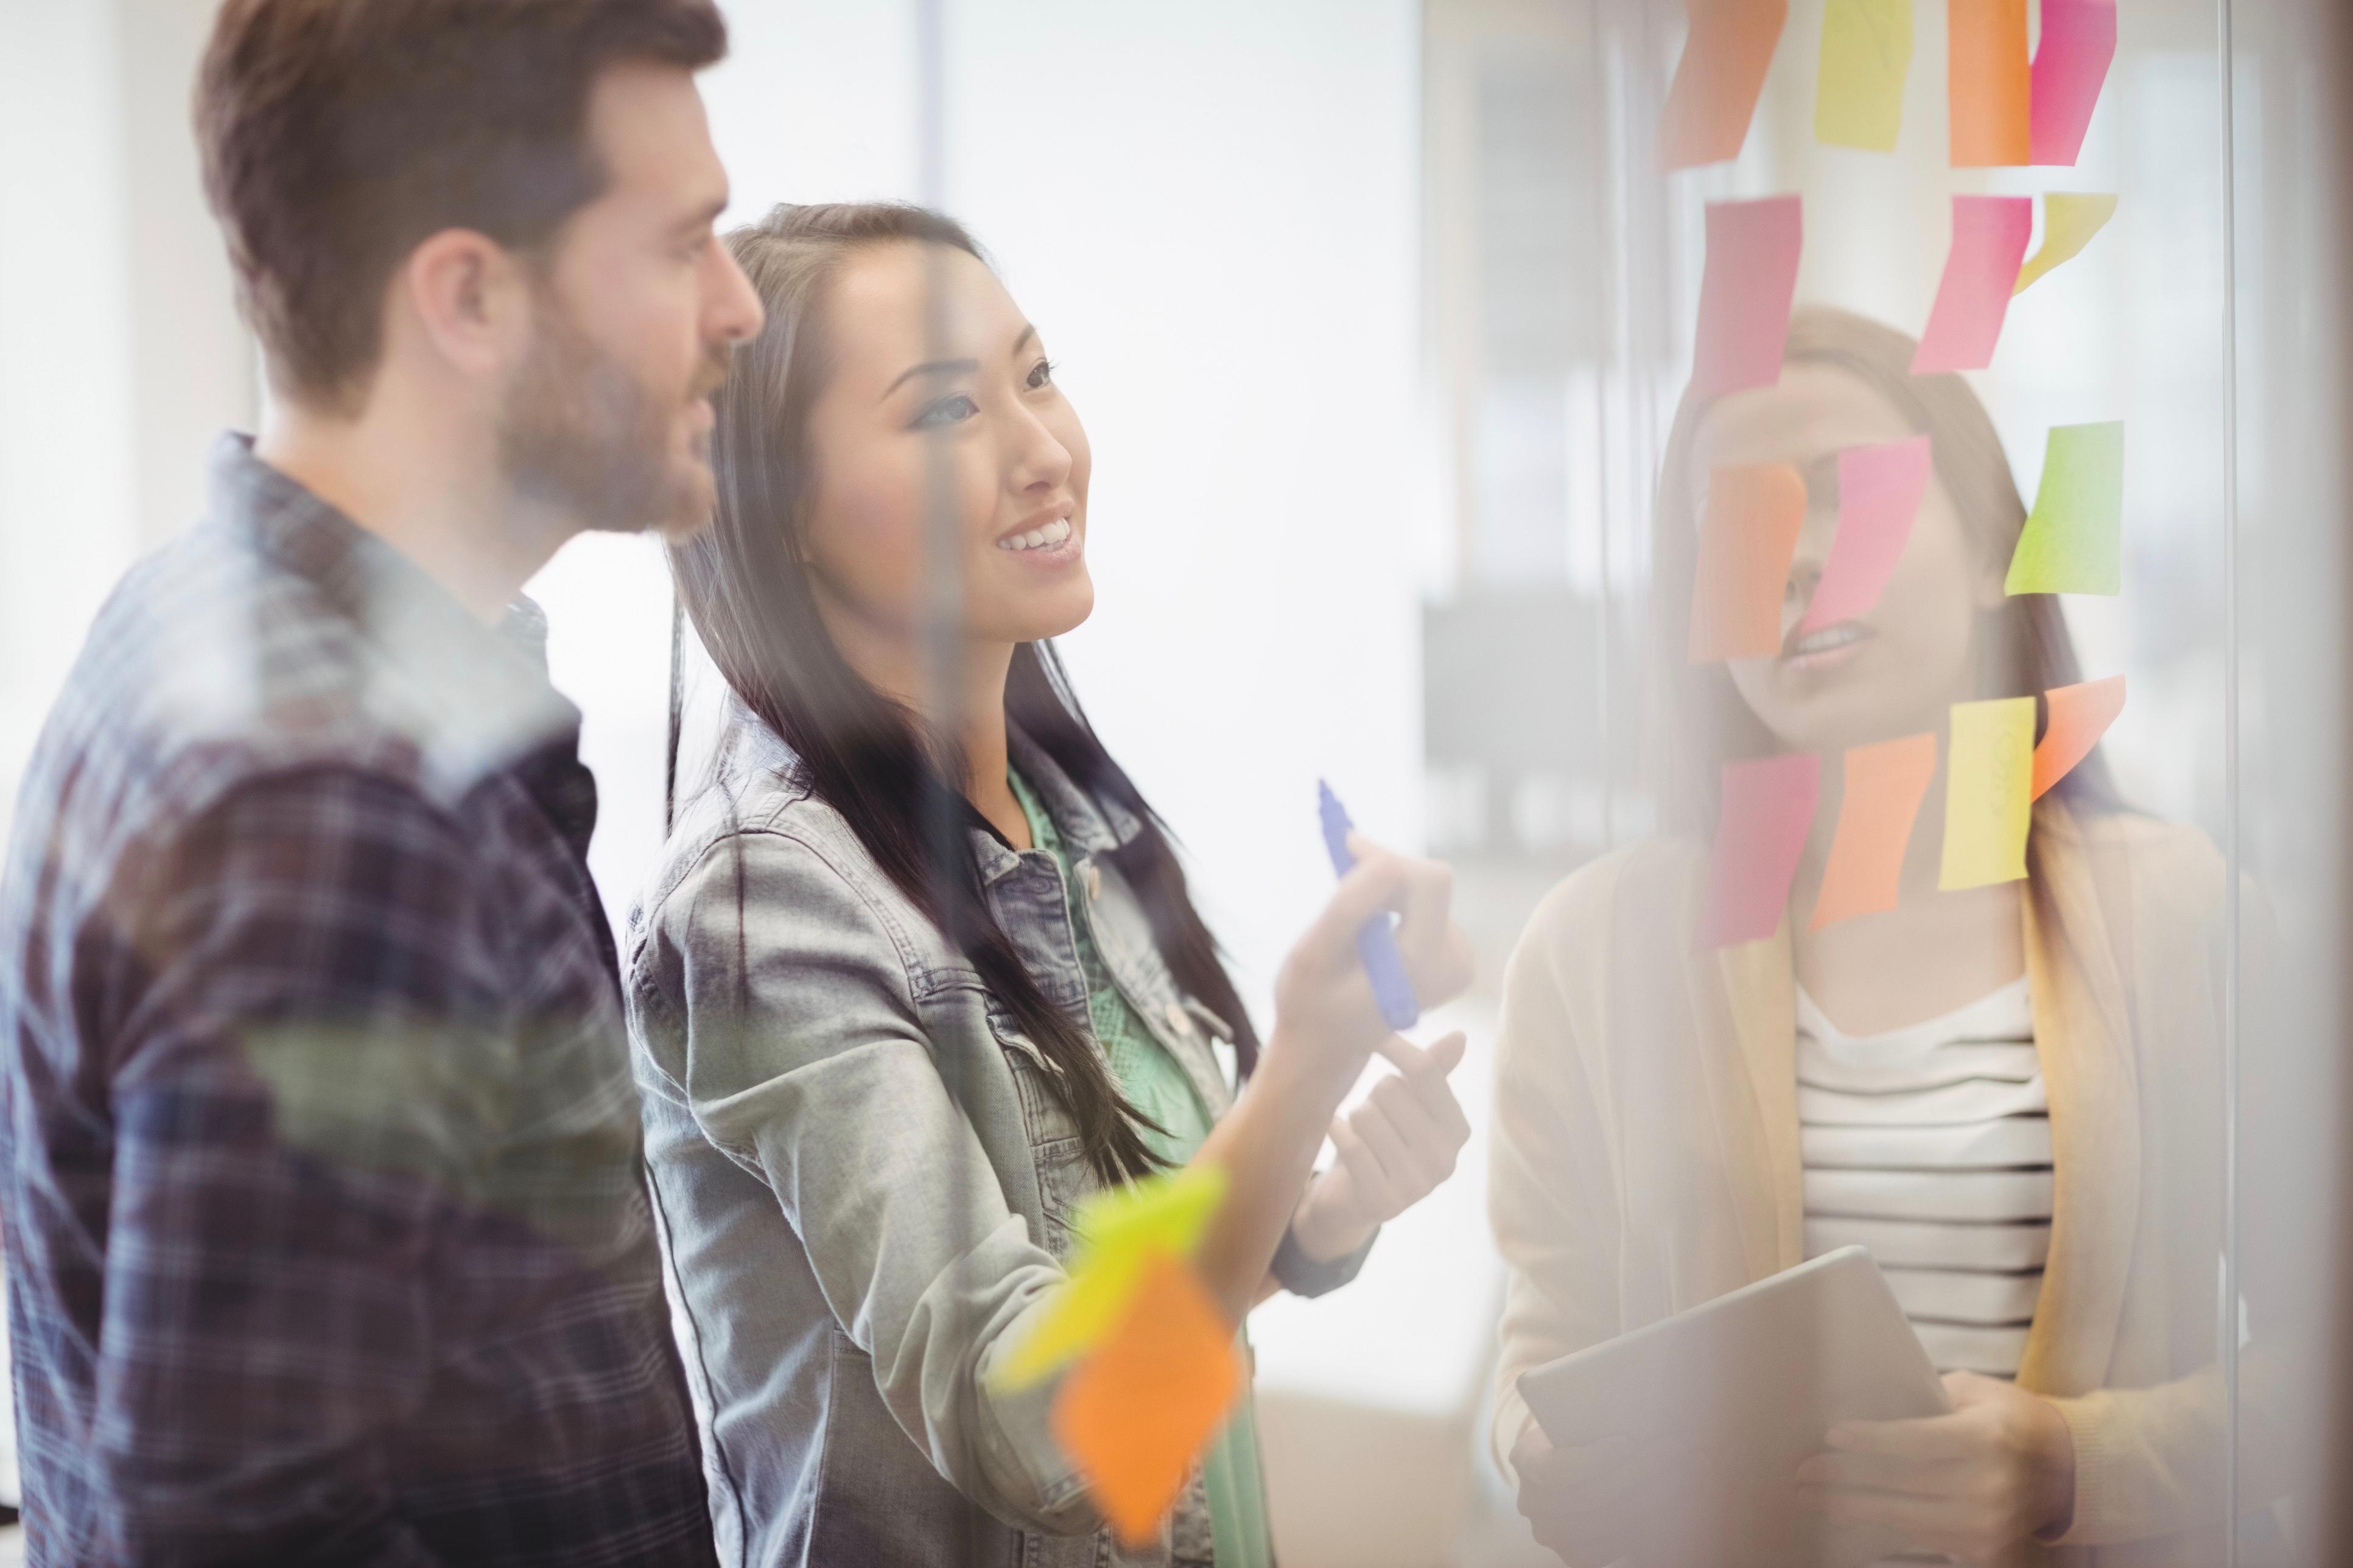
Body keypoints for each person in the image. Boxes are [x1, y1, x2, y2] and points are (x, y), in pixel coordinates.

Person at [0, 1, 763, 1561]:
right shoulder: (337, 803)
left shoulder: (204, 608)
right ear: (468, 297)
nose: (739, 307)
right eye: (686, 245)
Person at [629, 201, 1476, 1568]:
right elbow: (1052, 1433)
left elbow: (1144, 1303)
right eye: (944, 411)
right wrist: (1300, 1072)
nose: (1041, 450)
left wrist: (1319, 1218)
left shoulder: (1061, 815)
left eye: (1034, 375)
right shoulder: (760, 910)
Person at [1490, 307, 2253, 1566]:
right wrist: (1549, 1458)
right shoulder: (1595, 950)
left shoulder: (2180, 913)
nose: (1794, 562)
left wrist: (2069, 1465)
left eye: (1852, 493)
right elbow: (1540, 1354)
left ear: (1984, 549)